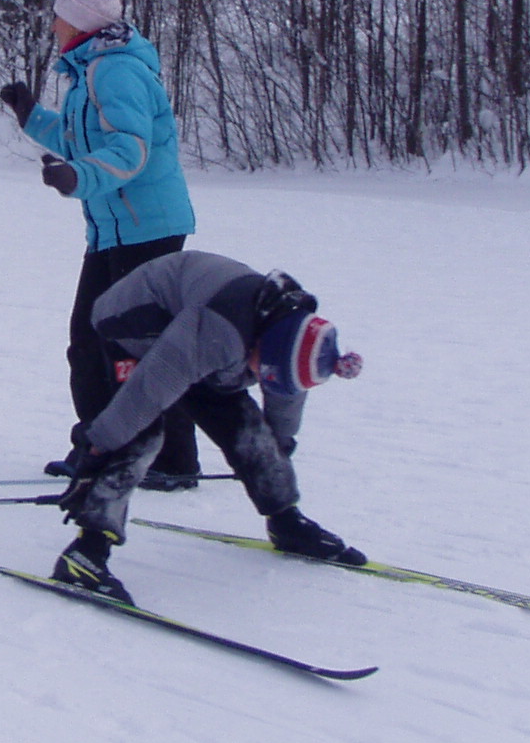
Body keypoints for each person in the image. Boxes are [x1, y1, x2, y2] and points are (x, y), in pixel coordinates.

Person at [45, 249, 366, 605]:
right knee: (140, 434)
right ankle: (86, 553)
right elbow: (146, 393)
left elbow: (285, 393)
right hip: (134, 323)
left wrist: (276, 447)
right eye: (263, 370)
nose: (261, 378)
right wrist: (98, 447)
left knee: (249, 430)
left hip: (203, 336)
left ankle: (286, 522)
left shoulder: (295, 329)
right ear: (263, 346)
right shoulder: (217, 331)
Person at [0, 0, 204, 491]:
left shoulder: (116, 70)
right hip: (115, 228)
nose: (52, 24)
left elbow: (128, 151)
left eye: (59, 16)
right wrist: (31, 117)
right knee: (92, 343)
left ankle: (167, 459)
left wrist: (77, 177)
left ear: (82, 22)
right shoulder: (91, 68)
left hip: (147, 228)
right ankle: (103, 445)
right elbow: (77, 137)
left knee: (135, 349)